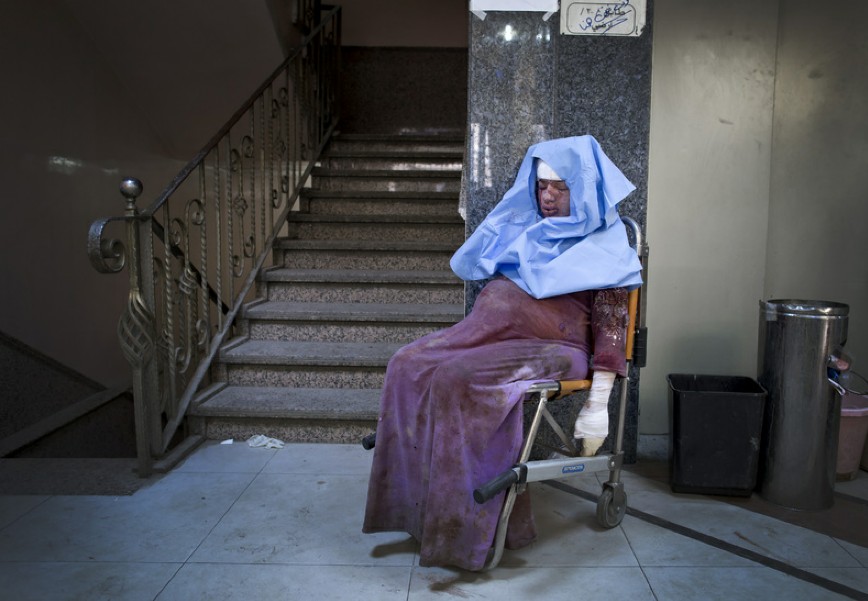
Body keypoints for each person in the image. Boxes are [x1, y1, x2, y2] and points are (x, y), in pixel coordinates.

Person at [362, 135, 643, 571]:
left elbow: (611, 328)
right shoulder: (528, 229)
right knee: (407, 364)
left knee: (457, 378)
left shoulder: (607, 248)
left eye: (560, 187)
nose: (547, 196)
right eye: (541, 186)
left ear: (584, 189)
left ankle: (462, 534)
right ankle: (412, 513)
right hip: (490, 333)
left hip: (555, 346)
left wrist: (598, 401)